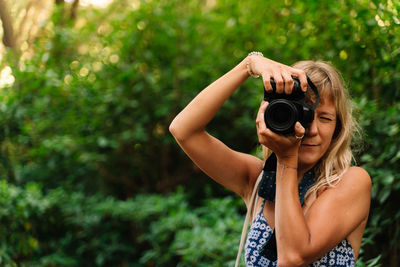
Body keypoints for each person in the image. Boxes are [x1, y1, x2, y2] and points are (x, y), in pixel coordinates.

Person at [169, 52, 371, 267]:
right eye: (304, 115)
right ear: (275, 115)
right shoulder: (257, 180)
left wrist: (286, 158)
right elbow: (184, 130)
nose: (311, 130)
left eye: (325, 118)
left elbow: (292, 257)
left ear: (337, 128)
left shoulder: (351, 182)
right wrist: (248, 65)